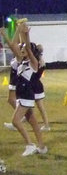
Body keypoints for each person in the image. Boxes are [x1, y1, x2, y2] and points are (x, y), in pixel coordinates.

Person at [1, 21, 47, 155]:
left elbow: (26, 47)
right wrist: (18, 31)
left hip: (26, 95)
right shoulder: (21, 61)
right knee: (32, 121)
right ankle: (42, 147)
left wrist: (25, 34)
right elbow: (13, 45)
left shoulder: (33, 63)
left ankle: (30, 144)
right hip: (23, 95)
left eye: (24, 49)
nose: (21, 50)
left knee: (15, 121)